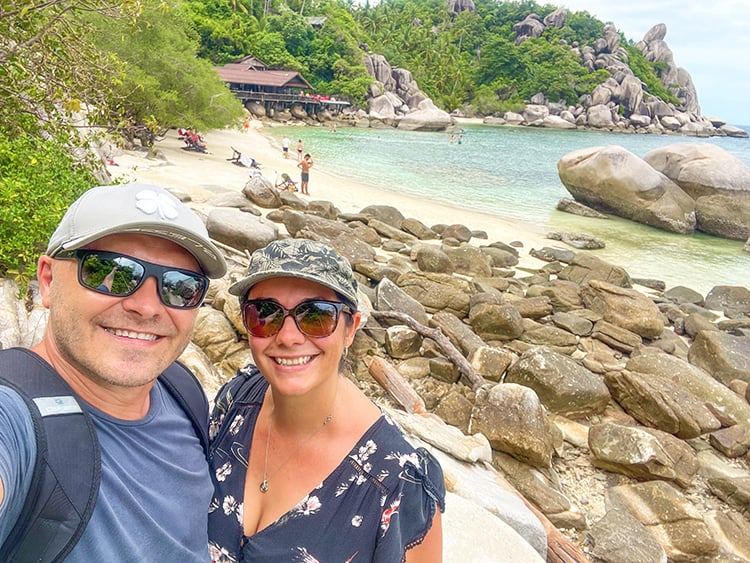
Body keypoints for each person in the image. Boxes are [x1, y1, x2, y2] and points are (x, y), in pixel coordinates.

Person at [0, 182, 228, 561]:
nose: (147, 307)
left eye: (180, 287)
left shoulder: (182, 393)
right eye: (111, 272)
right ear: (49, 279)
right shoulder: (15, 419)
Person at [207, 238, 445, 562]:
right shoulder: (235, 403)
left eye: (315, 316)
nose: (288, 337)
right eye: (265, 313)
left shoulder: (397, 483)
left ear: (351, 329)